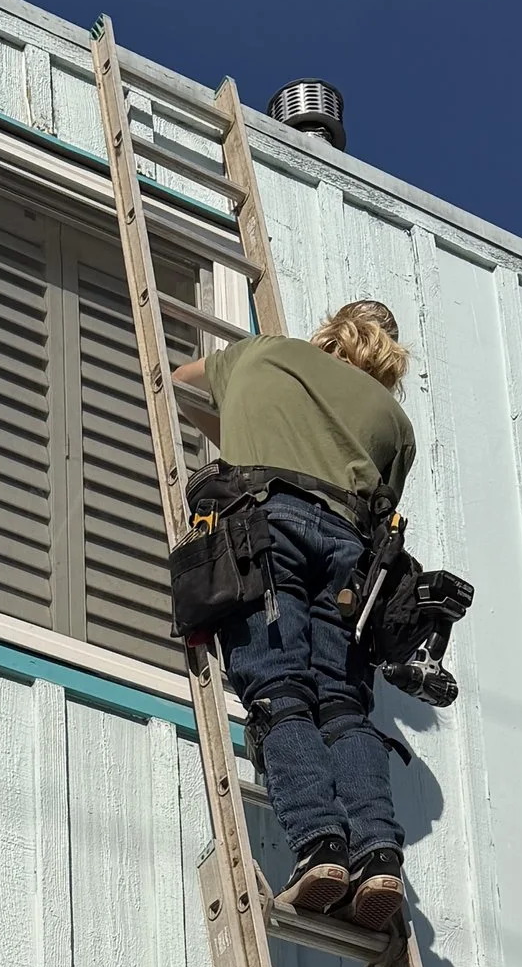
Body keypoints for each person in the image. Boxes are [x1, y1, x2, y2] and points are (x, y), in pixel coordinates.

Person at [171, 301, 418, 931]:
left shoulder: (264, 353)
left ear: (330, 334)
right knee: (341, 703)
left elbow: (178, 381)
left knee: (280, 689)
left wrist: (246, 429)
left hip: (264, 522)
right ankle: (378, 854)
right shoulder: (394, 422)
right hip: (349, 555)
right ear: (386, 359)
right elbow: (379, 506)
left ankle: (321, 845)